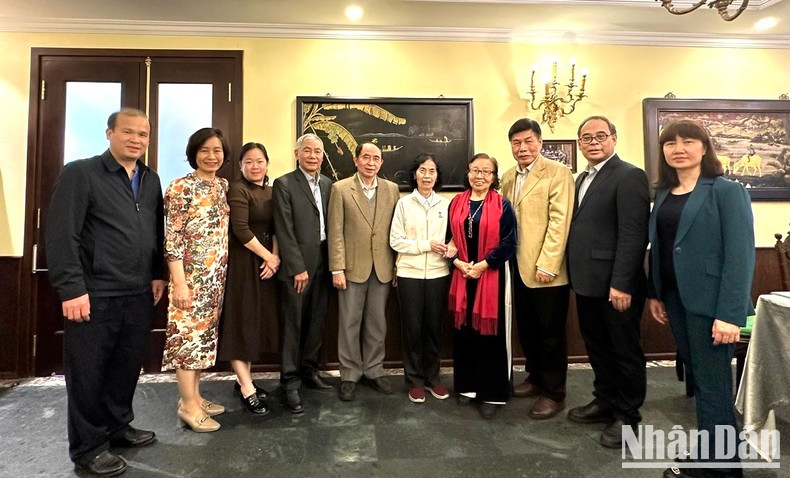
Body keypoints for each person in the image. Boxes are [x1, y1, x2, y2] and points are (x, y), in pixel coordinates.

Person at [46, 108, 165, 476]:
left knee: (126, 367)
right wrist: (71, 289)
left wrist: (157, 274)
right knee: (87, 373)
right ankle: (88, 447)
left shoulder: (150, 179)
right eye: (128, 131)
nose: (136, 139)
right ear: (109, 133)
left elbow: (155, 232)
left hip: (138, 292)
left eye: (143, 134)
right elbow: (62, 234)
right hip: (94, 293)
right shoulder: (81, 173)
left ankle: (117, 426)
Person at [647, 120, 754, 478]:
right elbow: (662, 247)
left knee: (713, 386)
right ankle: (714, 456)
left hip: (712, 306)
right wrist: (655, 293)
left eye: (688, 141)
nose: (678, 148)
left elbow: (740, 256)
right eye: (670, 143)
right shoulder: (664, 193)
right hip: (675, 300)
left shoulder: (726, 191)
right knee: (701, 380)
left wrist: (730, 315)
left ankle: (721, 468)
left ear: (704, 147)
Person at [566, 115, 650, 448]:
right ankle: (605, 401)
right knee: (598, 347)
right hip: (587, 281)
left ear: (614, 139)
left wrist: (622, 283)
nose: (594, 142)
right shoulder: (581, 178)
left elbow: (633, 234)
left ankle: (627, 417)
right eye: (586, 138)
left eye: (600, 136)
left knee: (624, 351)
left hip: (617, 285)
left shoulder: (629, 175)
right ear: (579, 144)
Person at [501, 118, 574, 420]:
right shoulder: (507, 176)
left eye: (528, 141)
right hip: (516, 267)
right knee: (528, 329)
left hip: (547, 271)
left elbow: (560, 221)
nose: (523, 148)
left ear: (540, 142)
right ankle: (535, 378)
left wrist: (548, 263)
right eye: (516, 142)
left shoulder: (558, 173)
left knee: (550, 334)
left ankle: (554, 393)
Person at [161, 127, 230, 433]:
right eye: (205, 150)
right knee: (187, 340)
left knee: (202, 340)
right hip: (190, 279)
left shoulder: (222, 185)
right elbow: (173, 239)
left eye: (217, 150)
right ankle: (188, 406)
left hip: (215, 280)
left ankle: (195, 397)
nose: (211, 156)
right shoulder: (181, 187)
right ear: (193, 153)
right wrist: (179, 283)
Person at [447, 153, 517, 420]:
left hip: (492, 277)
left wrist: (482, 266)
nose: (480, 176)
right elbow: (449, 239)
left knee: (490, 336)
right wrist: (458, 263)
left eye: (487, 172)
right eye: (475, 170)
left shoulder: (503, 205)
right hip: (462, 276)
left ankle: (492, 393)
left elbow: (510, 243)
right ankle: (467, 387)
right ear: (468, 173)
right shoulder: (456, 202)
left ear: (494, 177)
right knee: (464, 332)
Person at [328, 142, 400, 401]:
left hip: (382, 267)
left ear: (381, 162)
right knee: (349, 322)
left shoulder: (392, 189)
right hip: (351, 268)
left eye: (376, 158)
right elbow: (335, 231)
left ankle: (374, 369)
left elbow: (397, 230)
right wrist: (337, 268)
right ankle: (349, 374)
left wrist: (396, 265)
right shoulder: (340, 189)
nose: (371, 163)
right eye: (366, 157)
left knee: (377, 323)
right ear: (356, 160)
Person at [272, 133, 333, 414]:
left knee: (316, 319)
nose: (312, 156)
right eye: (307, 150)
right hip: (298, 265)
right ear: (297, 153)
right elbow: (284, 229)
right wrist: (297, 267)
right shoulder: (284, 184)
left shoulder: (328, 184)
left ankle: (309, 371)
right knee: (293, 323)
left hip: (324, 260)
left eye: (317, 151)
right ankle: (290, 381)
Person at [217, 142, 278, 416]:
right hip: (244, 263)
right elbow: (240, 229)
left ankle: (244, 380)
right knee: (241, 324)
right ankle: (246, 388)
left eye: (259, 161)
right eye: (249, 162)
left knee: (253, 324)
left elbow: (276, 228)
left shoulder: (271, 190)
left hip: (266, 264)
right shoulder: (237, 189)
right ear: (241, 165)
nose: (255, 166)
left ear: (267, 163)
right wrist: (269, 256)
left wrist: (275, 258)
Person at [389, 153, 453, 404]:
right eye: (422, 170)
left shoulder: (446, 205)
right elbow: (396, 241)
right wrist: (427, 245)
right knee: (412, 329)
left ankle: (433, 379)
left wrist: (451, 247)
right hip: (409, 274)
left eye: (432, 171)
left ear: (437, 176)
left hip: (438, 274)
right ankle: (414, 380)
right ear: (415, 174)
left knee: (434, 328)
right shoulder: (404, 204)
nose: (427, 176)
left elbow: (454, 237)